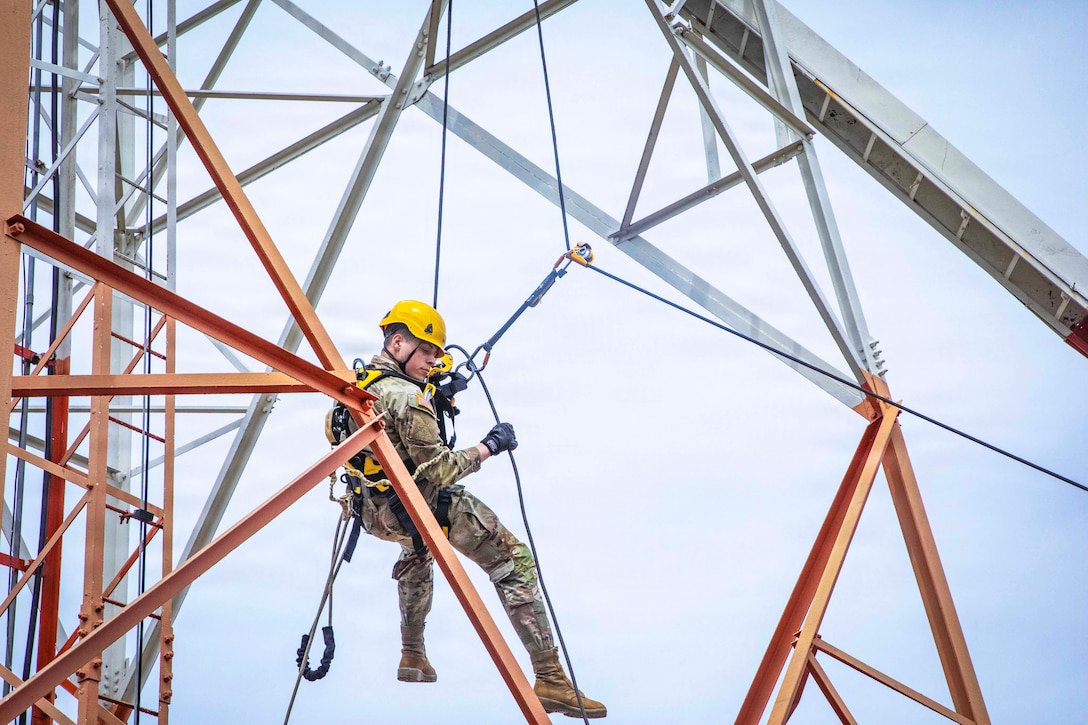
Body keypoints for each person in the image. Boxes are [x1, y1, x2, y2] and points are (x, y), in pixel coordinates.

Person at [331, 300, 607, 719]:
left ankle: (412, 654)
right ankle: (550, 678)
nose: (432, 361)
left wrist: (432, 393)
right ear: (399, 341)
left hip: (374, 514)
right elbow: (440, 469)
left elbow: (374, 434)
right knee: (512, 559)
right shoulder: (409, 397)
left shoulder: (354, 384)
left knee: (417, 551)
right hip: (415, 504)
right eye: (427, 353)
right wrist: (490, 446)